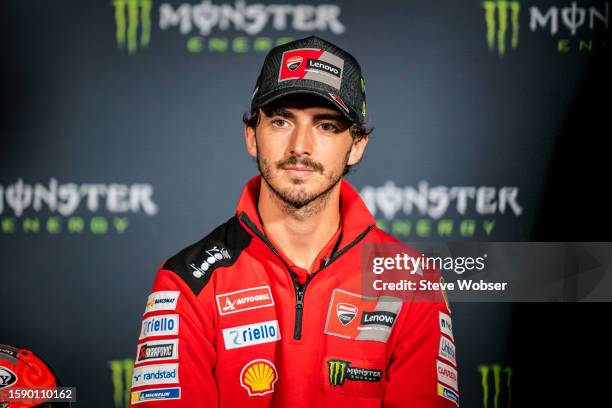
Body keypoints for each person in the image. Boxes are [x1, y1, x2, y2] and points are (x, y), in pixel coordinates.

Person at [129, 35, 459, 407]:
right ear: (252, 136)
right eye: (282, 121)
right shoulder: (186, 283)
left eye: (327, 126)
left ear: (357, 145)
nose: (300, 146)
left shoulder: (412, 281)